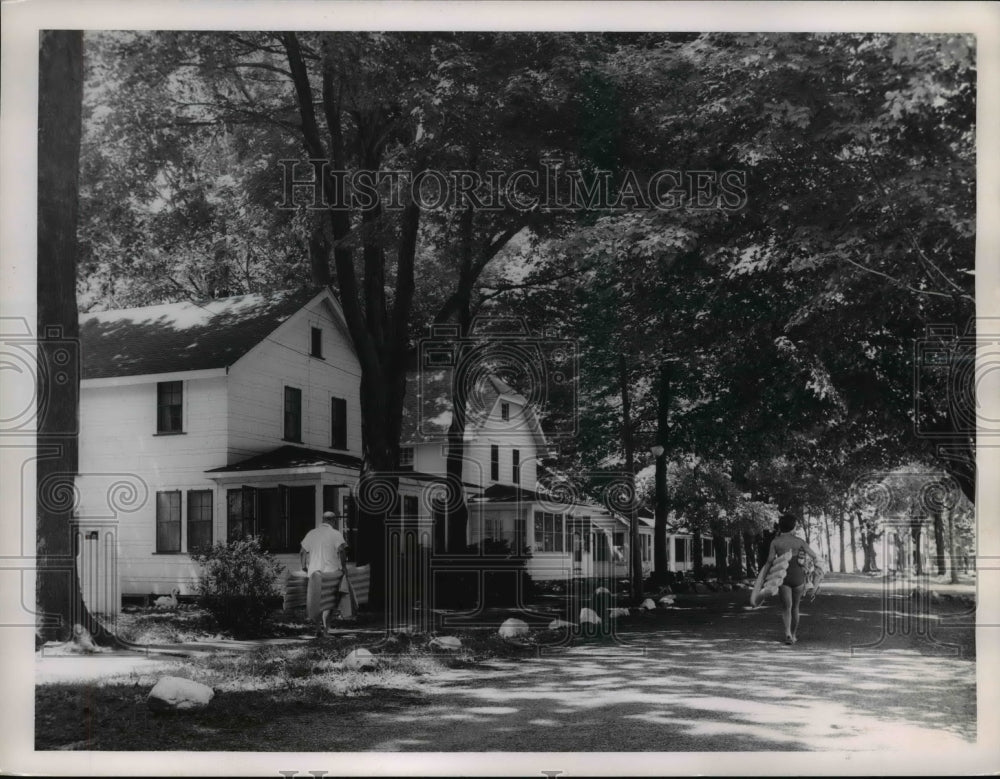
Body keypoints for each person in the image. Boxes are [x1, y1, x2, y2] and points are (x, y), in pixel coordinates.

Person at [765, 513, 822, 645]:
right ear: (792, 527)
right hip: (798, 576)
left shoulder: (775, 542)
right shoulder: (799, 541)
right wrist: (815, 572)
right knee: (795, 607)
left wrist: (766, 576)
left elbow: (769, 560)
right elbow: (814, 556)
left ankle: (787, 633)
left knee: (786, 607)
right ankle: (794, 634)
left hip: (783, 576)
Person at [300, 511, 348, 637]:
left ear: (322, 520)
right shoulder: (335, 534)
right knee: (329, 602)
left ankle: (317, 630)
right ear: (334, 521)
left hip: (314, 573)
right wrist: (343, 567)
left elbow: (302, 551)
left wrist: (304, 566)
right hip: (330, 573)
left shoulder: (312, 533)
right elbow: (342, 550)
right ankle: (326, 631)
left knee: (316, 601)